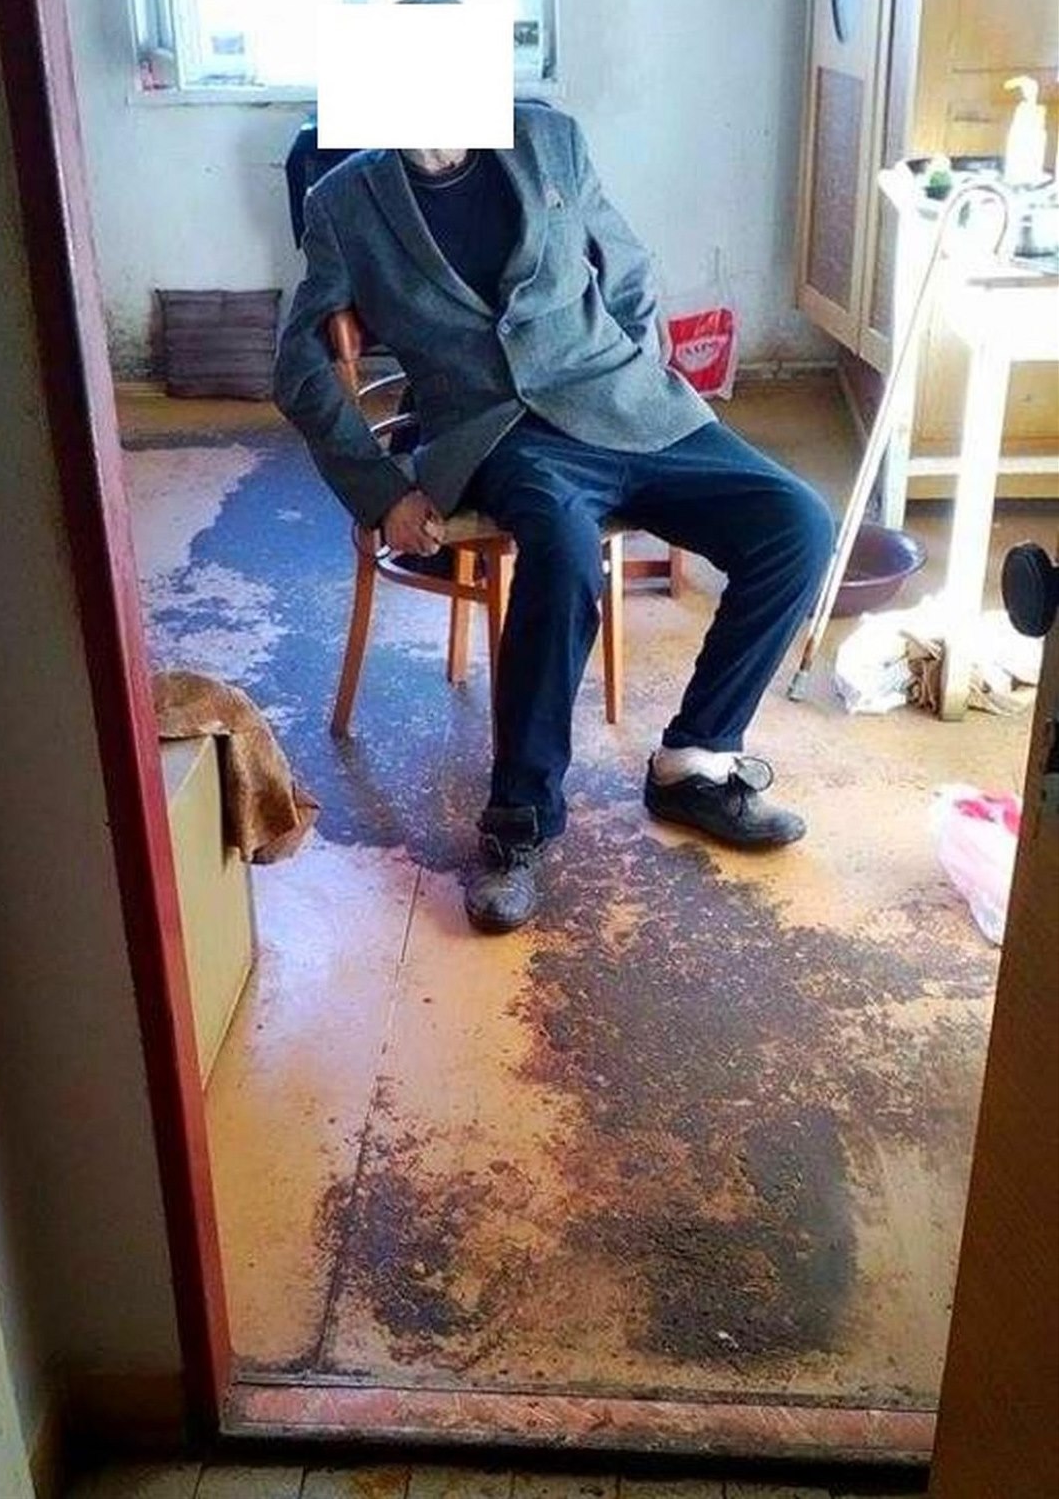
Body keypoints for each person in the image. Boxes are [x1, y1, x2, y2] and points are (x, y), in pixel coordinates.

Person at [273, 101, 835, 934]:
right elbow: (298, 366)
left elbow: (627, 261)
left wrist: (634, 366)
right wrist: (382, 491)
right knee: (564, 555)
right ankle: (518, 822)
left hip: (626, 401)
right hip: (503, 433)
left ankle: (694, 760)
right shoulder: (344, 201)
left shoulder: (550, 139)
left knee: (799, 524)